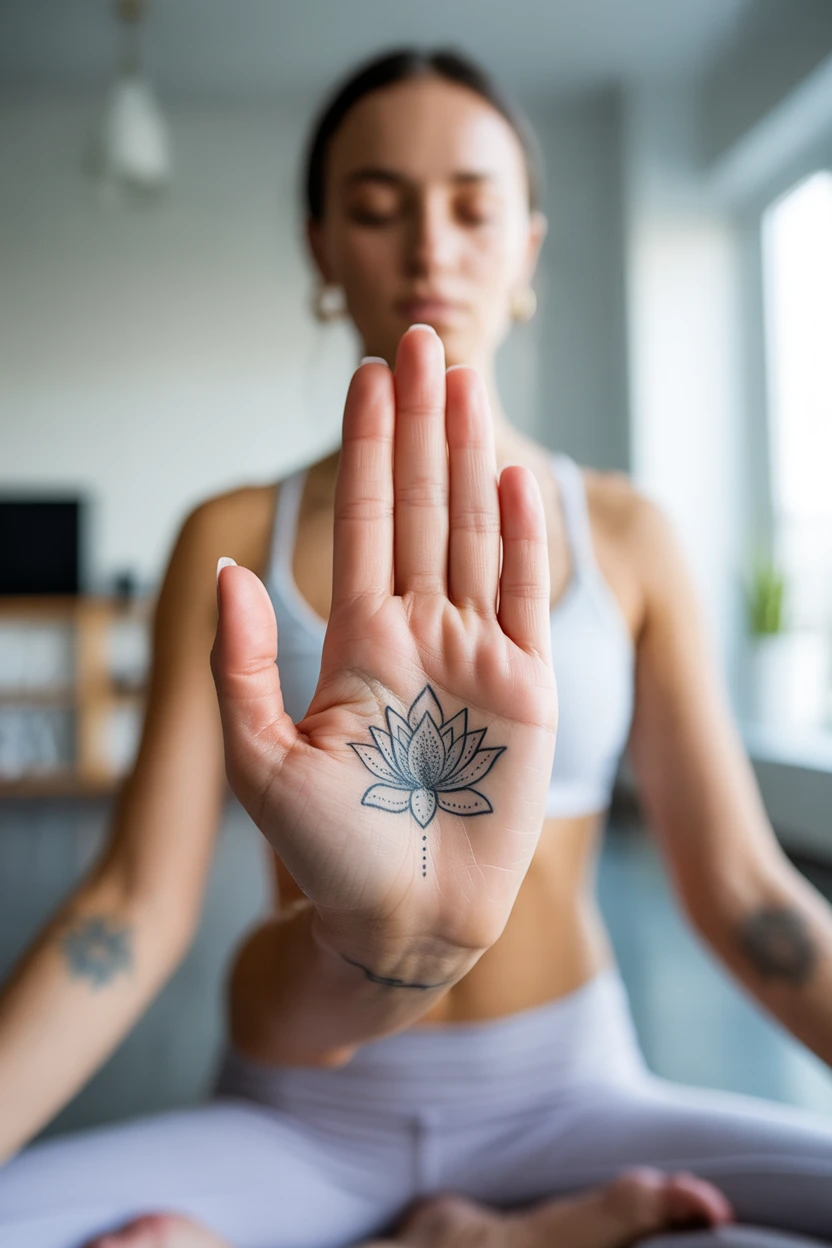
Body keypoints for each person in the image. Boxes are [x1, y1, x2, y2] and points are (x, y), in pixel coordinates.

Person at [1, 44, 832, 1248]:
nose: (428, 245)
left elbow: (749, 895)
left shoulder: (625, 535)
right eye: (377, 209)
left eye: (471, 206)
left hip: (572, 1096)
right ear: (322, 250)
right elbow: (131, 906)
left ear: (527, 252)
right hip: (297, 1111)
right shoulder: (231, 534)